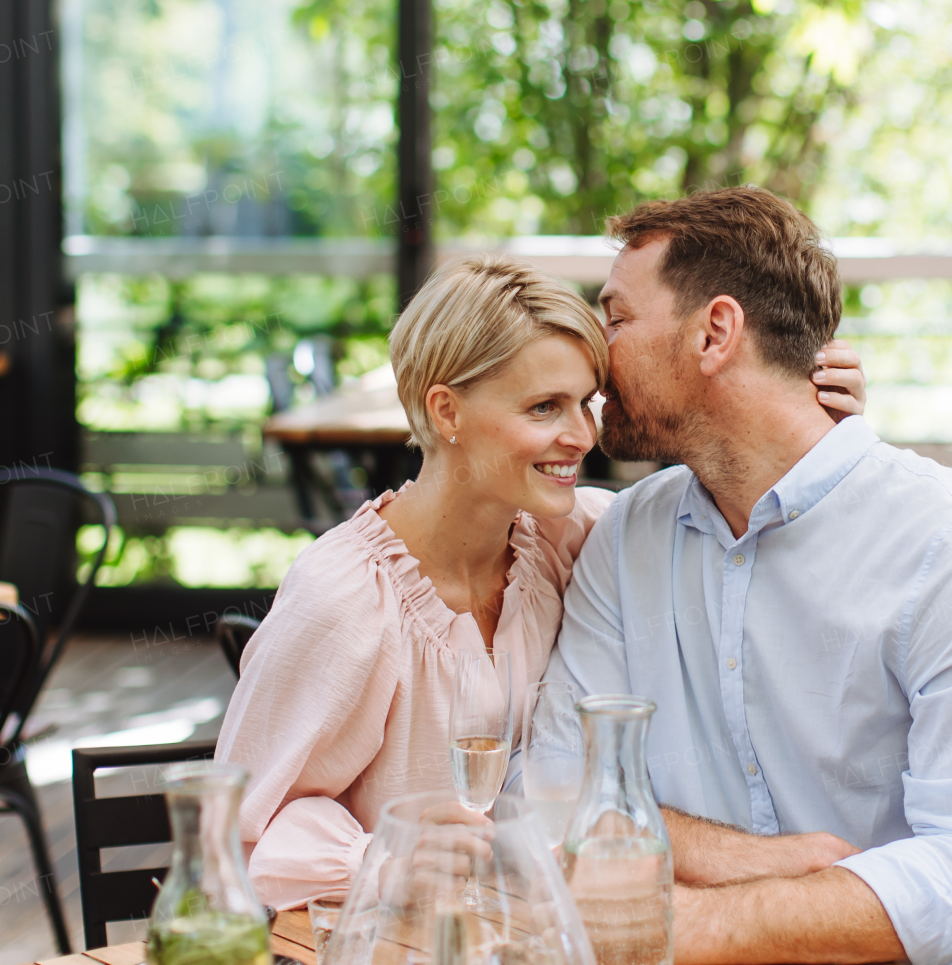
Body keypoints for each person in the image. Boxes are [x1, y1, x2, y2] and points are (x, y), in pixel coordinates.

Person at [552, 186, 952, 965]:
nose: (593, 358)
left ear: (715, 333)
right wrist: (770, 865)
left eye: (615, 317)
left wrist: (671, 923)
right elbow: (557, 791)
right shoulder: (629, 537)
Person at [215, 251, 867, 905]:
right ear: (446, 412)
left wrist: (810, 433)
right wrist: (383, 862)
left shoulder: (570, 537)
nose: (583, 435)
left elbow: (737, 541)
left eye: (586, 402)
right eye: (543, 408)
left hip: (533, 950)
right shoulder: (345, 600)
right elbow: (237, 834)